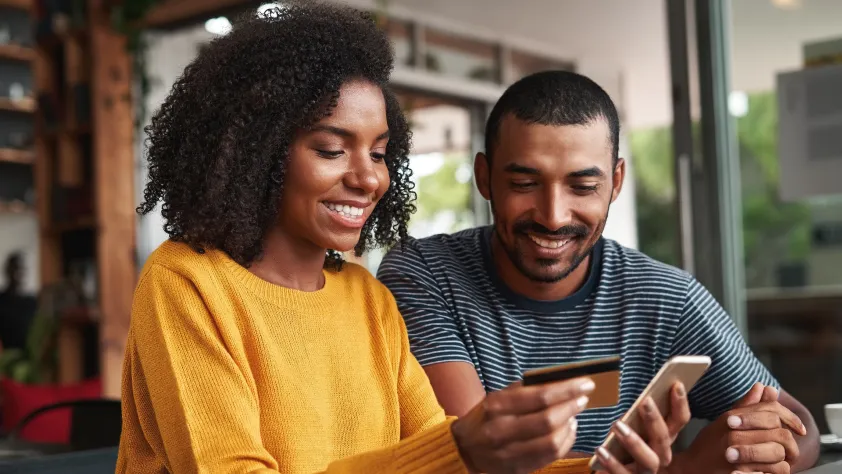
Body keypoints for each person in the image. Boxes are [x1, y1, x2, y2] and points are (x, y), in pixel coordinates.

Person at [116, 5, 629, 474]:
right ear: (258, 151)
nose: (368, 179)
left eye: (380, 154)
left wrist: (605, 468)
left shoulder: (368, 299)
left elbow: (438, 454)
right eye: (332, 150)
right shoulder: (186, 283)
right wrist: (460, 449)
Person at [377, 70, 820, 473]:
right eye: (524, 183)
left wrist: (754, 444)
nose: (553, 216)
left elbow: (799, 426)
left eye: (583, 186)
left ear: (616, 182)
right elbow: (479, 458)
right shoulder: (424, 275)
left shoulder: (665, 297)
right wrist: (686, 470)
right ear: (485, 177)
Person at [0, 252, 37, 351]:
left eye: (22, 269)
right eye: (15, 268)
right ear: (7, 270)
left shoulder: (32, 302)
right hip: (7, 356)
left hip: (30, 355)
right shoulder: (2, 300)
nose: (18, 273)